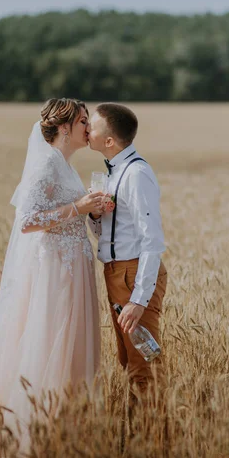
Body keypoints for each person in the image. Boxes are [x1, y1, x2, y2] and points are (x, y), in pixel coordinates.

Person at [0, 98, 103, 458]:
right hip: (55, 272)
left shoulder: (64, 164)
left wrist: (91, 210)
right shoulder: (47, 162)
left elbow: (68, 213)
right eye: (83, 121)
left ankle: (62, 443)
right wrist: (79, 209)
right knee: (50, 345)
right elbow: (29, 220)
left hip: (73, 268)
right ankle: (32, 449)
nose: (89, 128)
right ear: (64, 127)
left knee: (71, 350)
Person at [87, 102, 167, 412]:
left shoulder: (136, 174)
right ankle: (139, 434)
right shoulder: (113, 172)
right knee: (127, 358)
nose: (86, 130)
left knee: (143, 361)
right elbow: (108, 232)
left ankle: (153, 438)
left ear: (109, 141)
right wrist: (95, 215)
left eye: (91, 127)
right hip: (116, 272)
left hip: (134, 275)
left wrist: (138, 299)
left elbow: (152, 240)